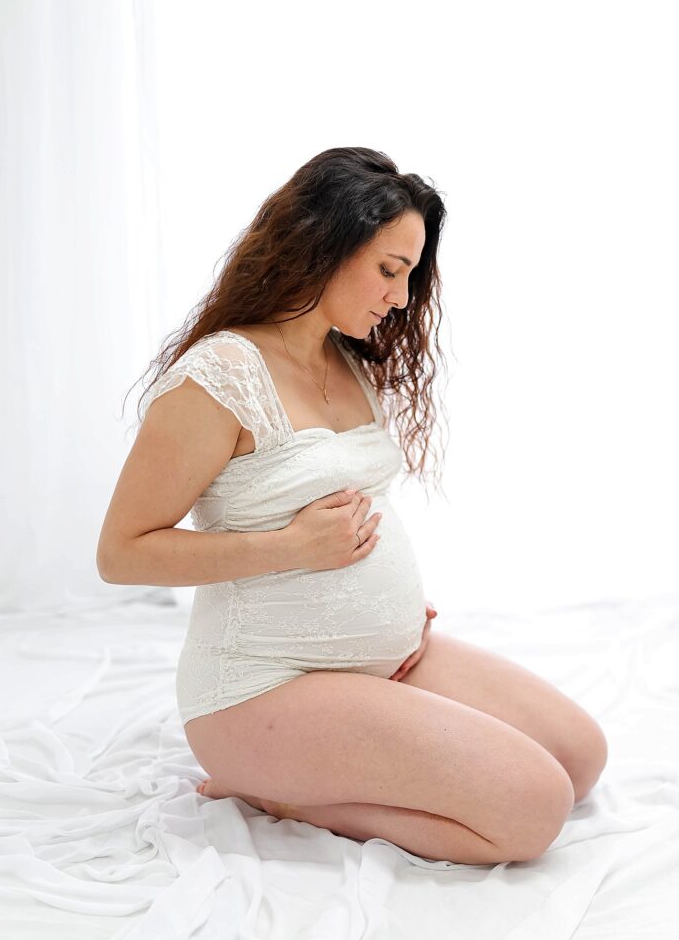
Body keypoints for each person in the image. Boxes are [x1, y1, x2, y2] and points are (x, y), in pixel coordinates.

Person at [96, 147, 607, 864]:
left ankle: (337, 762)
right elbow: (120, 553)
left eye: (410, 275)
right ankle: (281, 793)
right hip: (263, 689)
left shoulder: (345, 358)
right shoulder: (219, 374)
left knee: (580, 759)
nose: (400, 297)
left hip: (391, 656)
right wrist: (289, 549)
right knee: (532, 810)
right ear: (322, 245)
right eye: (388, 270)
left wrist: (387, 609)